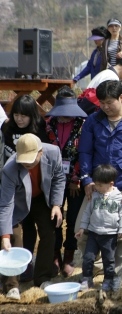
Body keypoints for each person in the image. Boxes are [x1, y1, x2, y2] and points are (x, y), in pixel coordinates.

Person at [76, 80, 122, 282]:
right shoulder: (92, 121)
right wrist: (87, 179)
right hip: (96, 186)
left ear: (121, 98)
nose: (105, 107)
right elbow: (85, 152)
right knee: (81, 231)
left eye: (109, 102)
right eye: (102, 103)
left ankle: (119, 275)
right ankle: (97, 268)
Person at [0, 134, 65, 299]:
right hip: (17, 203)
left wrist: (57, 205)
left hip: (41, 199)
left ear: (41, 152)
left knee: (49, 232)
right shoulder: (9, 169)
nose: (27, 163)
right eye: (24, 160)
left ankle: (42, 277)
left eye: (31, 159)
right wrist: (5, 236)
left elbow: (59, 178)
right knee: (13, 241)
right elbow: (6, 204)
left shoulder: (54, 152)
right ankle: (11, 286)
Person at [2, 94, 51, 279]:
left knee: (38, 226)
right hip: (13, 186)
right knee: (20, 226)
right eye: (16, 115)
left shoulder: (39, 130)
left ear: (32, 115)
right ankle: (21, 264)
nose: (19, 119)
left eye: (24, 115)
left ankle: (35, 264)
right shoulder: (8, 129)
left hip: (36, 187)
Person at [44, 86, 88, 278]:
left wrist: (76, 179)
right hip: (53, 179)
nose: (64, 117)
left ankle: (69, 254)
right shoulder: (48, 125)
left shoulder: (83, 124)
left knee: (73, 219)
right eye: (61, 113)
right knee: (55, 218)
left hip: (75, 181)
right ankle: (55, 254)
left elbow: (85, 153)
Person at [75, 164, 122, 292]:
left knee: (108, 259)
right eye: (96, 184)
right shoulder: (94, 195)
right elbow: (87, 212)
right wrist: (82, 227)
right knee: (88, 258)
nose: (97, 188)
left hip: (109, 235)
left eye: (100, 185)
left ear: (110, 183)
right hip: (93, 233)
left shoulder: (119, 197)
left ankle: (108, 280)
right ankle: (87, 278)